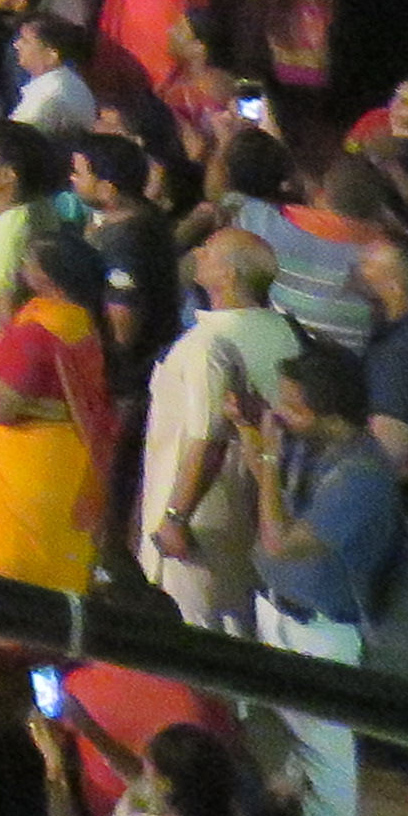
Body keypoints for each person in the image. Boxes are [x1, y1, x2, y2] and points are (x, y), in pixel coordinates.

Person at [241, 340, 400, 816]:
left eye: (290, 404)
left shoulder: (362, 476)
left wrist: (266, 455)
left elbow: (281, 542)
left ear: (325, 413)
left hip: (323, 630)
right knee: (296, 736)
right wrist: (252, 435)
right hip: (281, 613)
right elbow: (268, 484)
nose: (279, 413)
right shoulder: (313, 445)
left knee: (329, 756)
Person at [0, 229, 116, 596]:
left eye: (27, 263)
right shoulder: (82, 320)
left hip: (24, 472)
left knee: (13, 579)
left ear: (46, 277)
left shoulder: (36, 333)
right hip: (65, 463)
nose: (20, 269)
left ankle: (12, 652)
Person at [137, 234, 296, 631]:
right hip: (248, 514)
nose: (196, 253)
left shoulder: (208, 344)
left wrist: (175, 517)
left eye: (206, 250)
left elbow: (206, 438)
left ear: (227, 274)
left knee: (195, 634)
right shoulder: (289, 336)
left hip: (200, 523)